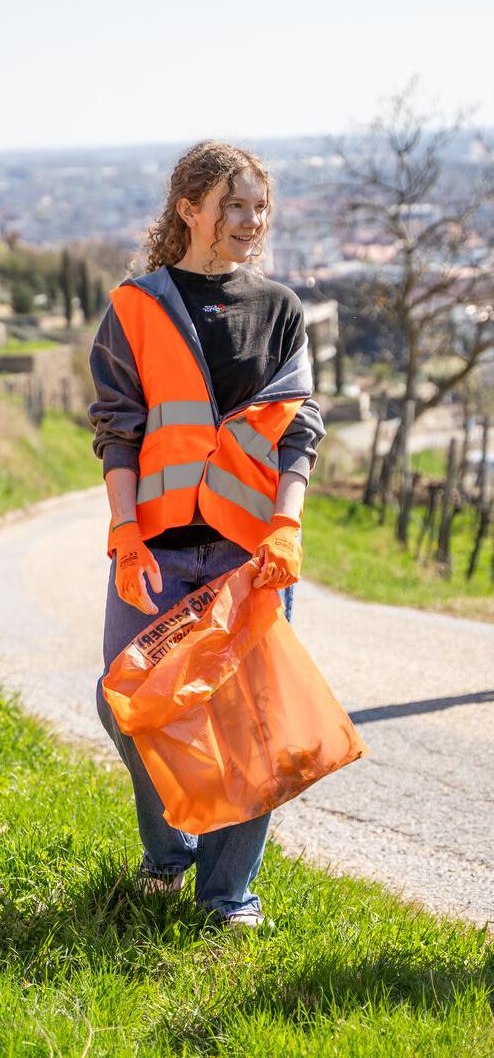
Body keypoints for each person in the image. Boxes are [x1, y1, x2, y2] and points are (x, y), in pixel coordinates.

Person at [89, 141, 325, 928]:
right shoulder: (136, 306)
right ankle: (169, 853)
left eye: (260, 206)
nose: (250, 221)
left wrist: (286, 527)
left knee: (250, 724)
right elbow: (118, 430)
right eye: (234, 205)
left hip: (247, 554)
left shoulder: (282, 309)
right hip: (154, 550)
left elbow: (298, 432)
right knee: (129, 702)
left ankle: (229, 897)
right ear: (189, 210)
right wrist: (125, 531)